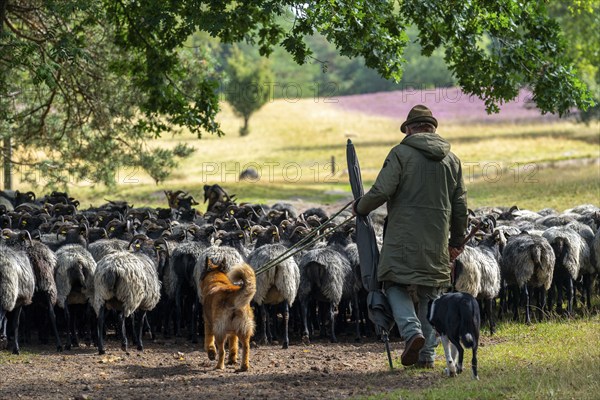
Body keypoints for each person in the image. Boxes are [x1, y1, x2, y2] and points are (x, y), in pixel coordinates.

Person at [353, 104, 468, 368]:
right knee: (431, 293)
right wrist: (457, 241)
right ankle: (427, 356)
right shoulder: (452, 161)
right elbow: (460, 206)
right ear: (431, 129)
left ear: (410, 129)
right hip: (437, 239)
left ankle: (410, 331)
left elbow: (382, 190)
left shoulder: (401, 153)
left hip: (402, 237)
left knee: (393, 283)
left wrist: (360, 207)